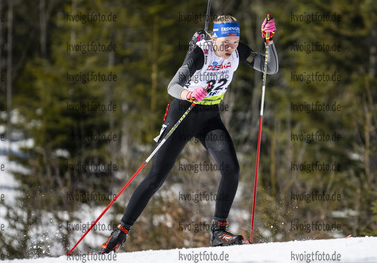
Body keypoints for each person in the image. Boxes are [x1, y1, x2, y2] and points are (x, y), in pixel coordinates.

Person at [101, 14, 278, 253]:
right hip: (183, 114)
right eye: (225, 42)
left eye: (234, 42)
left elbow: (269, 67)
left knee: (231, 169)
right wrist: (189, 94)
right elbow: (172, 86)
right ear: (214, 37)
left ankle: (218, 232)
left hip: (210, 118)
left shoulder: (237, 52)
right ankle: (120, 233)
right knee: (156, 177)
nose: (230, 48)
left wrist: (268, 42)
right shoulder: (200, 54)